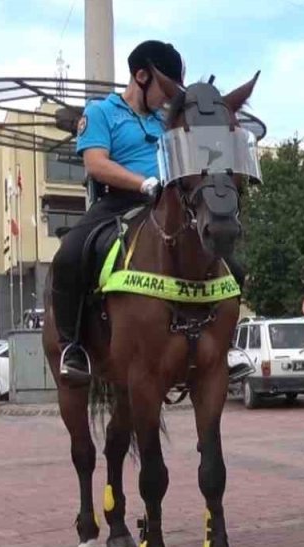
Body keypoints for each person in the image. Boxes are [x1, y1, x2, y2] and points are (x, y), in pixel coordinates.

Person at [51, 40, 186, 384]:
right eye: (164, 87)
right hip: (118, 203)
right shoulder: (100, 112)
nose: (168, 97)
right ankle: (73, 347)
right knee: (69, 254)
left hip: (165, 205)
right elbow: (96, 163)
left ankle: (214, 346)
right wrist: (143, 184)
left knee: (222, 256)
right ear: (141, 77)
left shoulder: (165, 120)